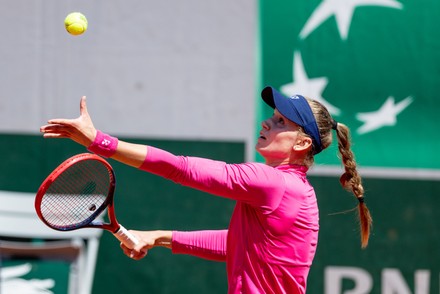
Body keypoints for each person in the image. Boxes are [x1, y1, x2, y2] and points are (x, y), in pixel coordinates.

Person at [40, 86, 372, 294]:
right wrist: (159, 237)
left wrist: (99, 141)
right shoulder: (294, 189)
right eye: (271, 117)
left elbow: (179, 167)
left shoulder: (274, 184)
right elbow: (238, 245)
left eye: (281, 122)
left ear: (302, 143)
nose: (266, 124)